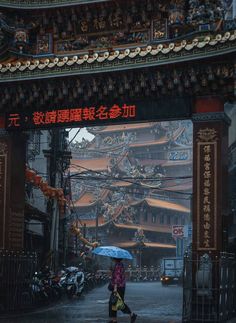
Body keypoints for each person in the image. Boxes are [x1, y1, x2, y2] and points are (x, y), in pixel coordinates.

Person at [108, 258, 137, 323]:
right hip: (120, 287)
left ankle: (132, 315)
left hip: (118, 287)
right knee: (114, 303)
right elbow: (116, 275)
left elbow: (117, 278)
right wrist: (112, 270)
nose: (112, 259)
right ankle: (114, 320)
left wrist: (115, 287)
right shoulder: (118, 265)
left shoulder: (118, 265)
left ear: (116, 259)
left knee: (118, 303)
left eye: (113, 258)